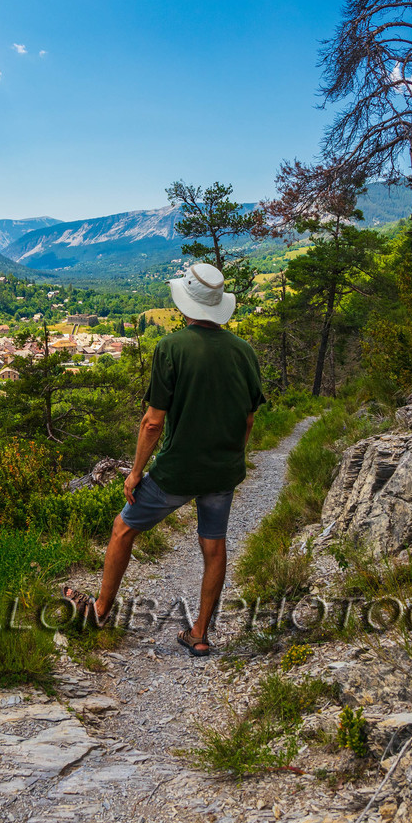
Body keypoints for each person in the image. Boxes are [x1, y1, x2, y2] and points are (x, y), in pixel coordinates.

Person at [65, 262, 264, 656]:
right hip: (223, 470)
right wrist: (232, 457)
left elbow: (153, 423)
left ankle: (101, 610)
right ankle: (200, 634)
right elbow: (248, 418)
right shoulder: (244, 352)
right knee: (214, 547)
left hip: (176, 470)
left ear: (186, 304)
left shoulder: (171, 348)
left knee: (123, 527)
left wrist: (136, 472)